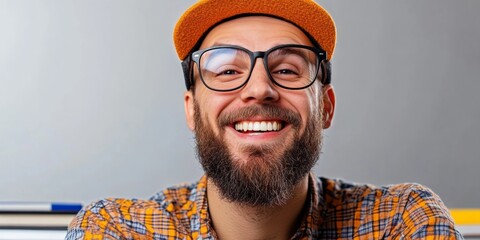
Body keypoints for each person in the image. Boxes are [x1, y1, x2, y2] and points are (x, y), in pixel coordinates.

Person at [66, 0, 462, 239]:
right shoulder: (118, 229)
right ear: (191, 109)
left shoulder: (402, 221)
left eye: (287, 70)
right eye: (226, 70)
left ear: (325, 107)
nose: (259, 88)